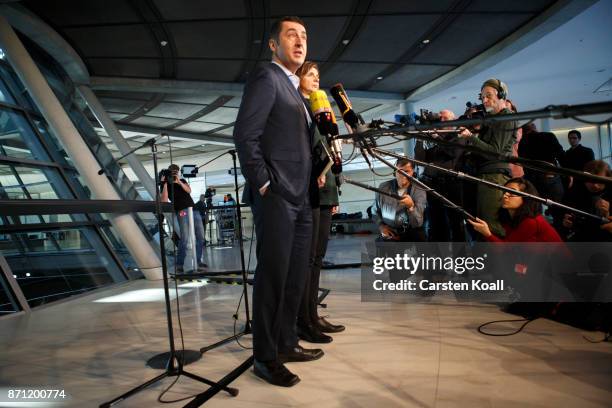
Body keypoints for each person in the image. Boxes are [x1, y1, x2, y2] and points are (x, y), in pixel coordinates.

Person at [234, 16, 322, 388]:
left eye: (303, 36)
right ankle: (265, 357)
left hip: (301, 199)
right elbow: (244, 135)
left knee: (293, 276)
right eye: (291, 35)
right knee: (273, 277)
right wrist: (266, 184)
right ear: (273, 44)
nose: (299, 41)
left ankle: (286, 341)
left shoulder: (295, 89)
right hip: (279, 197)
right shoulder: (266, 78)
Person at [294, 61, 345, 345]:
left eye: (317, 76)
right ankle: (304, 318)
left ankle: (312, 314)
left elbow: (330, 151)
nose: (315, 79)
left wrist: (335, 192)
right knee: (308, 258)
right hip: (310, 188)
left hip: (326, 191)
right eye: (310, 74)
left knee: (318, 258)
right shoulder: (299, 107)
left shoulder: (320, 107)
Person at [459, 78, 517, 238]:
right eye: (482, 96)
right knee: (480, 223)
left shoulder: (507, 117)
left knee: (490, 225)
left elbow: (495, 151)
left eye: (489, 95)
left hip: (494, 177)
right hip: (485, 175)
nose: (484, 100)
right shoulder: (491, 119)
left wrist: (471, 137)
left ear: (502, 95)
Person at [414, 109, 466, 242]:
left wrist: (436, 137)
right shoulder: (433, 139)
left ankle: (460, 260)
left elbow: (452, 153)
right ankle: (438, 259)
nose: (441, 121)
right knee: (435, 223)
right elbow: (419, 159)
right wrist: (420, 136)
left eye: (445, 118)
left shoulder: (459, 135)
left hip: (451, 185)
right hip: (432, 184)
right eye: (440, 118)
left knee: (455, 223)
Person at [468, 177, 562, 242]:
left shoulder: (531, 221)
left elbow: (507, 250)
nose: (505, 195)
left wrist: (487, 234)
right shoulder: (511, 218)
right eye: (504, 191)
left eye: (512, 192)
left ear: (525, 197)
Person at [160, 164, 205, 272]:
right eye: (173, 172)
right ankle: (180, 264)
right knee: (184, 237)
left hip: (193, 210)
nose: (175, 173)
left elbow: (189, 191)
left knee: (201, 237)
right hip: (182, 211)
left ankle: (198, 261)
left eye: (176, 171)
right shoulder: (166, 185)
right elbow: (164, 200)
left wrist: (179, 181)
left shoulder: (182, 181)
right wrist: (164, 183)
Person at [372, 158, 427, 242]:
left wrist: (411, 207)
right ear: (395, 172)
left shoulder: (419, 189)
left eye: (407, 171)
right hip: (389, 233)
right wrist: (381, 227)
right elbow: (374, 211)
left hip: (411, 234)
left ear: (413, 172)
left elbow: (418, 223)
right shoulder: (383, 187)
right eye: (400, 171)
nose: (403, 175)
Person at [562, 160, 611, 242]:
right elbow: (562, 215)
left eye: (600, 181)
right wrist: (565, 223)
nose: (595, 185)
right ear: (584, 179)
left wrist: (608, 213)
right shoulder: (574, 193)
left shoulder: (610, 193)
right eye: (591, 180)